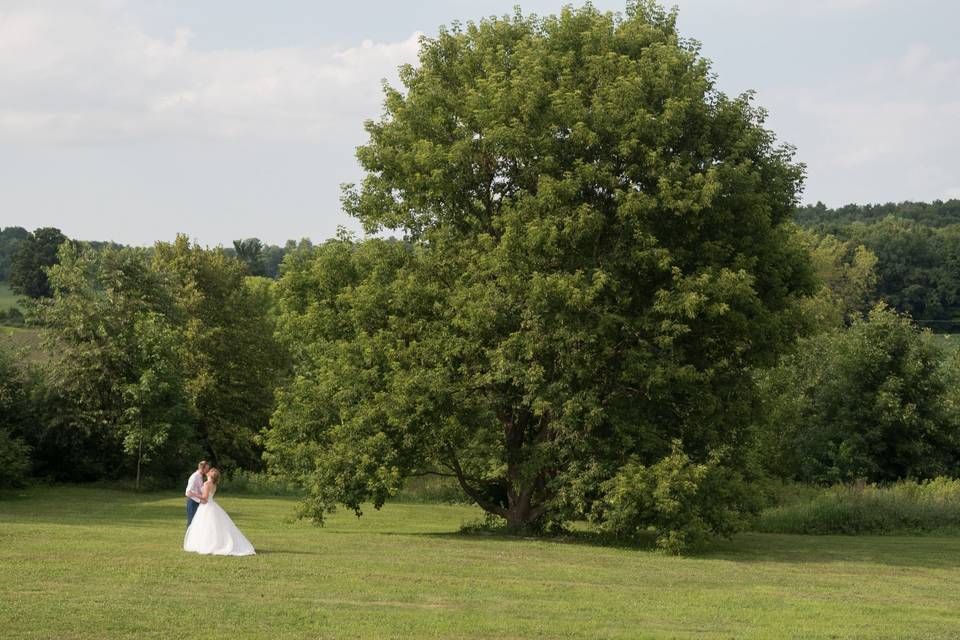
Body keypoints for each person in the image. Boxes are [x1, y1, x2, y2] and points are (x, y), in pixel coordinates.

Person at [183, 468, 256, 556]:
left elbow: (205, 498)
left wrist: (193, 494)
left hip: (206, 506)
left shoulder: (207, 484)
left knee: (206, 526)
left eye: (209, 472)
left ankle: (206, 544)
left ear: (210, 475)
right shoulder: (214, 485)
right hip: (211, 504)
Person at [184, 460, 208, 528]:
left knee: (197, 522)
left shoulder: (200, 476)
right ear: (202, 468)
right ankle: (188, 538)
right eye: (206, 469)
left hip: (197, 502)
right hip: (192, 502)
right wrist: (200, 498)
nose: (207, 471)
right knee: (191, 522)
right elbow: (188, 492)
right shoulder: (194, 477)